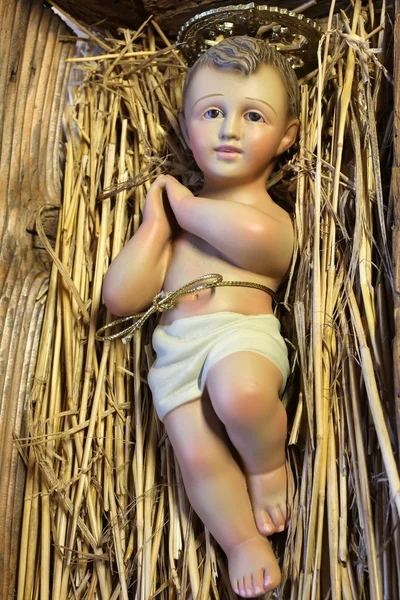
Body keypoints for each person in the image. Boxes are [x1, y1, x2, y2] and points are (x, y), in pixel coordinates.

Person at [102, 36, 300, 597]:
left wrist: (185, 207)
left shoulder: (263, 213)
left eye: (252, 115)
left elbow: (267, 247)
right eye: (211, 112)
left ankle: (265, 468)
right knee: (197, 455)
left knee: (240, 392)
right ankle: (241, 540)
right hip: (176, 352)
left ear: (286, 138)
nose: (228, 130)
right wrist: (156, 228)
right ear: (187, 126)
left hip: (241, 338)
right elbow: (121, 297)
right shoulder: (172, 222)